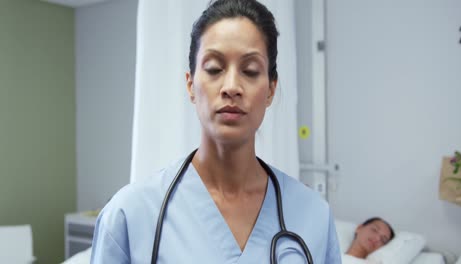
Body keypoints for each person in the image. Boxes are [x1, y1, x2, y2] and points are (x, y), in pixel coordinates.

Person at [90, 0, 341, 263]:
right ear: (190, 85)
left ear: (270, 90)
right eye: (214, 69)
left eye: (250, 71)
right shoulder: (129, 215)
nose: (231, 86)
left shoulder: (314, 216)